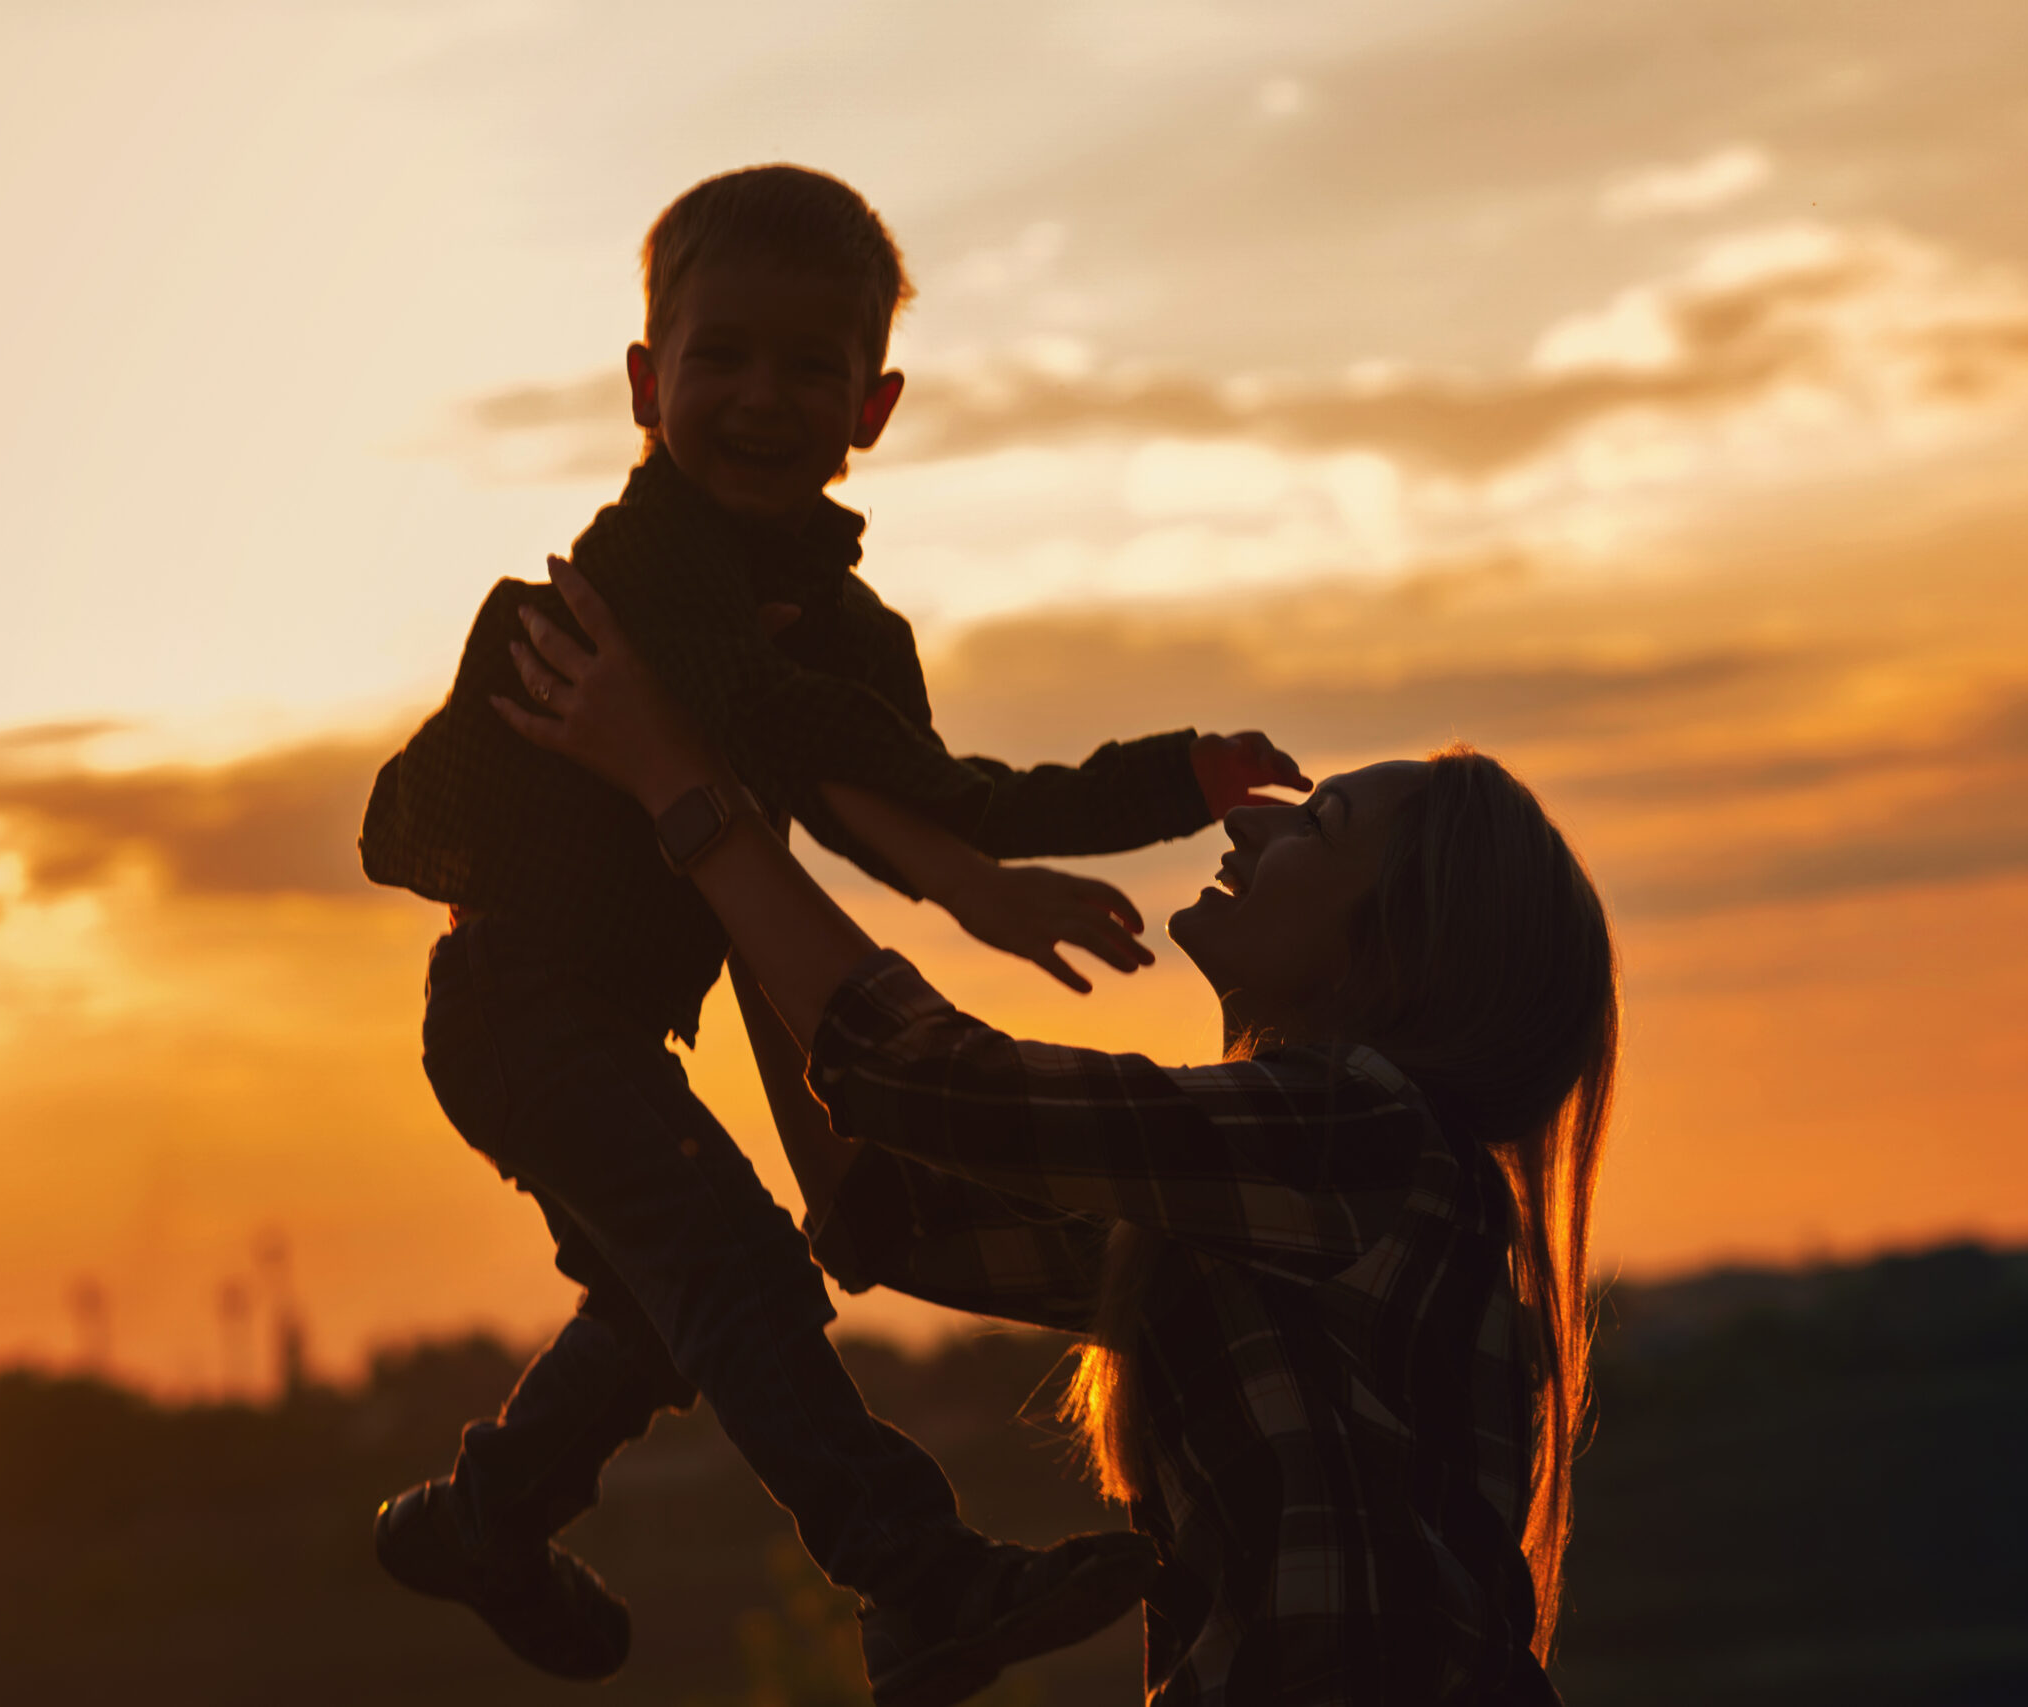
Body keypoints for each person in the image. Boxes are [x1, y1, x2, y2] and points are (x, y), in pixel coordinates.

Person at [357, 165, 1305, 1703]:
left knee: (668, 1307)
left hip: (599, 1025)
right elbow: (775, 726)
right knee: (741, 1272)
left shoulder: (853, 630)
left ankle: (484, 1519)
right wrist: (968, 881)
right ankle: (917, 1576)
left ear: (874, 406)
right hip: (517, 1005)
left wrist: (1163, 779)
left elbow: (930, 791)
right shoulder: (640, 569)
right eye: (719, 358)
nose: (758, 397)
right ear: (646, 384)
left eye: (808, 367)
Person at [495, 556, 1617, 1704]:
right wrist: (730, 827)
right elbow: (881, 1211)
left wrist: (686, 789)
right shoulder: (1271, 1207)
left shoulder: (1368, 1144)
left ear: (1397, 947)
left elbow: (932, 1081)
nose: (1248, 822)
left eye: (1316, 826)